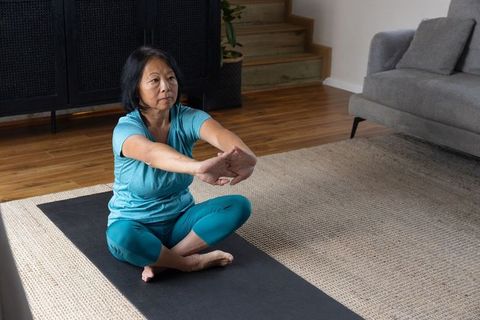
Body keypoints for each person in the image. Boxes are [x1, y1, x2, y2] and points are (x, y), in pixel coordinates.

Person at [106, 46, 256, 282]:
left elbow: (220, 134)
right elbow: (153, 154)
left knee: (239, 206)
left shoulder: (186, 116)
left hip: (180, 225)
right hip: (135, 225)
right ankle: (189, 264)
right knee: (120, 236)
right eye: (154, 80)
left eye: (170, 78)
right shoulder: (125, 129)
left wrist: (246, 156)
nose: (165, 87)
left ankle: (167, 261)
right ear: (136, 89)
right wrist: (197, 167)